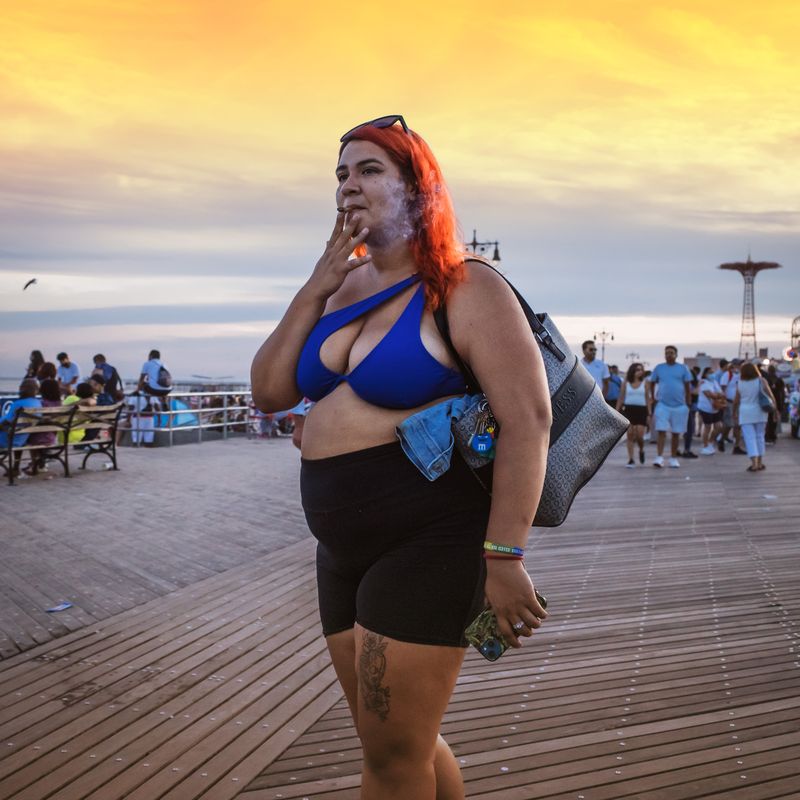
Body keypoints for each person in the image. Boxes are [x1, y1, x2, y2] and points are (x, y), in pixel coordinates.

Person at [250, 115, 550, 800]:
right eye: (341, 173)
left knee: (391, 757)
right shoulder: (343, 290)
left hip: (430, 538)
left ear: (419, 188)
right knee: (394, 744)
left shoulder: (468, 287)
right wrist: (316, 283)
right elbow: (270, 391)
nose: (348, 185)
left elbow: (529, 421)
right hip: (341, 547)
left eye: (370, 170)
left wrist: (504, 559)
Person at [646, 345, 692, 468]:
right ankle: (659, 457)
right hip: (662, 404)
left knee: (676, 433)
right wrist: (653, 396)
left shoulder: (683, 368)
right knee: (661, 430)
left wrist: (688, 402)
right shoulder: (659, 368)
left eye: (671, 353)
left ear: (676, 355)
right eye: (667, 353)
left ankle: (673, 458)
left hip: (679, 405)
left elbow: (688, 387)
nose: (669, 355)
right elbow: (652, 382)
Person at [734, 362, 776, 472]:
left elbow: (736, 401)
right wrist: (775, 410)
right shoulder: (761, 381)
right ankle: (760, 462)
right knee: (760, 436)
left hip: (745, 413)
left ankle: (754, 464)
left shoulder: (740, 383)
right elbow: (771, 395)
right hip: (760, 412)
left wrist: (734, 413)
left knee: (749, 438)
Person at [0, 379, 43, 477]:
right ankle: (15, 468)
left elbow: (5, 423)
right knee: (15, 431)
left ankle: (15, 469)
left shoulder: (18, 404)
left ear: (21, 389)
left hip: (7, 439)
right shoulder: (37, 403)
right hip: (21, 439)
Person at [616, 362, 648, 467]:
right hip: (629, 409)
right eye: (637, 370)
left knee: (639, 435)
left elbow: (648, 398)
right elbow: (621, 397)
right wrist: (617, 410)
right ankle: (631, 459)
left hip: (641, 410)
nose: (640, 372)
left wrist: (650, 412)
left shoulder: (645, 383)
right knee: (630, 435)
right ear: (632, 371)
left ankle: (641, 449)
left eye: (641, 370)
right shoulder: (626, 383)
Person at [719, 359, 746, 454]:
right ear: (734, 365)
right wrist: (723, 401)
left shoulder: (742, 376)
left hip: (739, 403)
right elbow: (722, 388)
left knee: (737, 425)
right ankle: (722, 438)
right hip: (730, 402)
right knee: (729, 424)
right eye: (740, 364)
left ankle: (737, 446)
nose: (741, 366)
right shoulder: (727, 375)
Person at [697, 367, 725, 455]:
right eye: (710, 372)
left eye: (713, 372)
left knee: (718, 426)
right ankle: (705, 446)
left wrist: (717, 395)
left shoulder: (714, 382)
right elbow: (710, 395)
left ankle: (710, 442)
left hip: (715, 409)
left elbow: (722, 394)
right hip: (705, 408)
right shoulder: (704, 383)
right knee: (707, 427)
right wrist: (717, 395)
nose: (712, 374)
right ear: (705, 374)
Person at [679, 366, 700, 458]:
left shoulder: (687, 383)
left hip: (689, 406)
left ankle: (685, 449)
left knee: (689, 429)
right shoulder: (686, 384)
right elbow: (695, 392)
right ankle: (686, 450)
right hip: (685, 406)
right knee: (688, 429)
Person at [764, 364, 786, 444]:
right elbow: (782, 393)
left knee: (768, 420)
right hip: (777, 402)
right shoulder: (779, 380)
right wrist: (782, 404)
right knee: (774, 420)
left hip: (768, 402)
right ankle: (772, 435)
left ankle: (768, 436)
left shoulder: (766, 380)